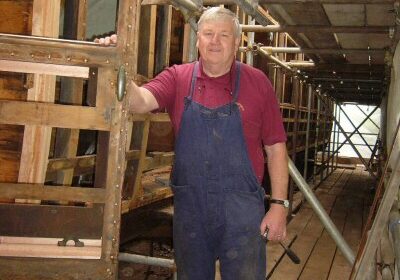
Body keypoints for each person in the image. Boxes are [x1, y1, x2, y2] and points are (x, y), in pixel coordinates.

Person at [99, 7, 288, 280]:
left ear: (236, 43)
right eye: (208, 34)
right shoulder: (178, 77)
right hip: (192, 209)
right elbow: (137, 101)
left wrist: (279, 205)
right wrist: (115, 66)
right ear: (198, 39)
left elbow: (276, 147)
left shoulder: (257, 82)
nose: (215, 41)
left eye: (224, 35)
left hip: (241, 210)